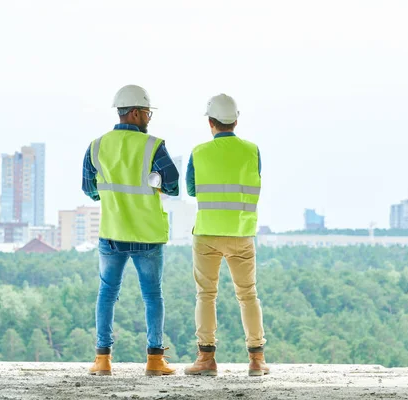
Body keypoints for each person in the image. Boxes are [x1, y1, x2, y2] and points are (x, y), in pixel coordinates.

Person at [82, 84, 179, 376]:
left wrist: (111, 198)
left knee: (107, 294)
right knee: (152, 296)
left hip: (111, 232)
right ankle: (154, 361)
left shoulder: (97, 146)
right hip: (147, 235)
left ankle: (102, 360)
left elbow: (89, 189)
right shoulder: (152, 145)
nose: (149, 117)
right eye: (147, 112)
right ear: (135, 112)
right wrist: (155, 183)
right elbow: (173, 185)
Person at [184, 94, 269, 377]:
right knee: (248, 295)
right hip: (242, 232)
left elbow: (192, 190)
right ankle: (257, 360)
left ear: (211, 122)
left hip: (207, 232)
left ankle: (206, 359)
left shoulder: (198, 152)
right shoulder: (252, 150)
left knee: (206, 295)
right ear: (236, 120)